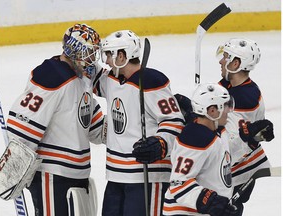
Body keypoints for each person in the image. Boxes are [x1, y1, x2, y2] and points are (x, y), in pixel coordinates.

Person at [0, 23, 105, 216]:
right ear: (75, 51)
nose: (92, 60)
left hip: (77, 175)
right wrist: (15, 167)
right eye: (89, 53)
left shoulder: (80, 81)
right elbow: (21, 126)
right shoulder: (51, 75)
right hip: (52, 176)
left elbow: (96, 129)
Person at [93, 30, 185, 216]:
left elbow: (175, 123)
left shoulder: (152, 82)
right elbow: (92, 77)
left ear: (122, 56)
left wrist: (160, 143)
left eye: (110, 55)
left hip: (148, 175)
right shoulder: (111, 79)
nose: (107, 60)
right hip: (115, 175)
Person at [163, 83, 242, 216]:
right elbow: (179, 184)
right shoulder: (194, 138)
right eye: (225, 106)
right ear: (212, 111)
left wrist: (249, 139)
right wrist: (210, 201)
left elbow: (222, 160)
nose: (229, 110)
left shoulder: (217, 132)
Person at [216, 37, 274, 210]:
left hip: (239, 172)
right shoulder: (229, 85)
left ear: (235, 64)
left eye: (225, 56)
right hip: (232, 170)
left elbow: (234, 143)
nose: (221, 60)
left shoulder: (244, 98)